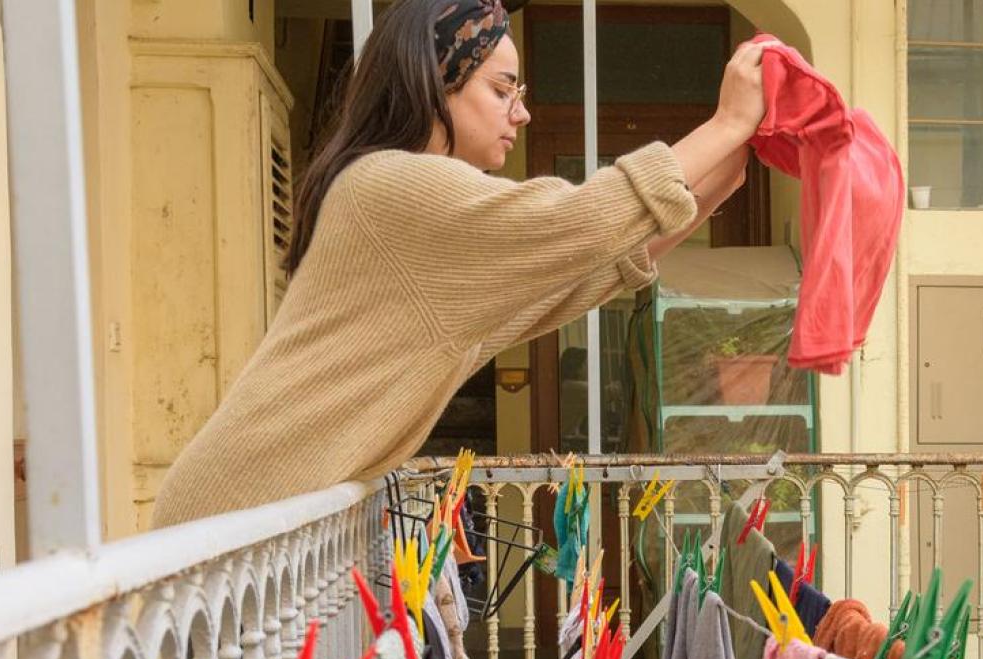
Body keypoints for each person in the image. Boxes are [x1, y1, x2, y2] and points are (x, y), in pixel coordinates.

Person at [152, 0, 765, 527]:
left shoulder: (403, 204)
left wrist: (711, 187)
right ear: (434, 80)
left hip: (260, 516)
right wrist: (727, 123)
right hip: (237, 521)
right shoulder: (394, 184)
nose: (519, 114)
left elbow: (568, 281)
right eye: (502, 90)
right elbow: (576, 221)